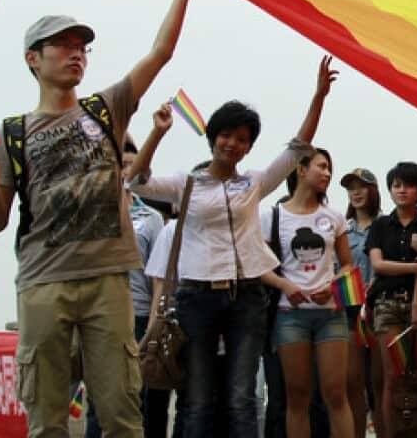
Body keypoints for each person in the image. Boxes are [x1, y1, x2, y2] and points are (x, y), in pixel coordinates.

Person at [0, 0, 202, 436]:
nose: (75, 54)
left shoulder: (105, 109)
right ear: (33, 59)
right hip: (41, 281)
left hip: (107, 280)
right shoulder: (12, 133)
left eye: (82, 48)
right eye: (62, 45)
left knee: (121, 410)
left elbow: (158, 54)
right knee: (47, 416)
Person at [129, 58, 336, 438]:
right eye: (227, 135)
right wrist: (156, 134)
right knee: (198, 398)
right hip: (196, 297)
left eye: (242, 139)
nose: (233, 144)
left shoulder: (255, 182)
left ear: (248, 146)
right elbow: (137, 182)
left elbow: (297, 148)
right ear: (213, 136)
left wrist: (319, 96)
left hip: (246, 299)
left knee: (241, 397)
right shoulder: (185, 183)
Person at [85, 138, 170, 438]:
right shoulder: (90, 213)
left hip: (138, 318)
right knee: (98, 403)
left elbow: (158, 276)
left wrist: (153, 325)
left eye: (131, 166)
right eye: (120, 165)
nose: (124, 172)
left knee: (134, 401)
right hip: (98, 316)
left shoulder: (151, 218)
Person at [269, 148, 354, 438]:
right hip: (290, 315)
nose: (327, 173)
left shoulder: (334, 217)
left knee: (336, 394)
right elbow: (258, 266)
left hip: (331, 314)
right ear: (300, 170)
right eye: (321, 166)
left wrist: (333, 287)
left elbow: (347, 266)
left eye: (329, 168)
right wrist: (285, 286)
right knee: (297, 396)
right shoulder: (274, 216)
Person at [366, 161, 417, 438]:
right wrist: (414, 267)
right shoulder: (379, 226)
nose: (402, 191)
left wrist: (416, 306)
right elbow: (377, 265)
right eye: (396, 185)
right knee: (393, 377)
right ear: (389, 190)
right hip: (385, 305)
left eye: (408, 185)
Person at [340, 168, 380, 438]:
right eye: (350, 188)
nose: (355, 192)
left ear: (373, 191)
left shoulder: (387, 226)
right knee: (352, 384)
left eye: (361, 186)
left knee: (380, 385)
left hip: (381, 311)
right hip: (349, 313)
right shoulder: (340, 229)